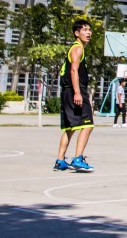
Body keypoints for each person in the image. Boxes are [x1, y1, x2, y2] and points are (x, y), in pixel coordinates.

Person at [54, 19, 96, 172]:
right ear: (77, 33)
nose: (88, 32)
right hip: (75, 90)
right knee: (88, 125)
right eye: (85, 30)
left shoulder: (75, 48)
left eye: (89, 30)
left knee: (70, 128)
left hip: (67, 91)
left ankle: (60, 161)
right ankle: (78, 158)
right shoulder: (78, 48)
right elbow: (73, 70)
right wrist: (78, 93)